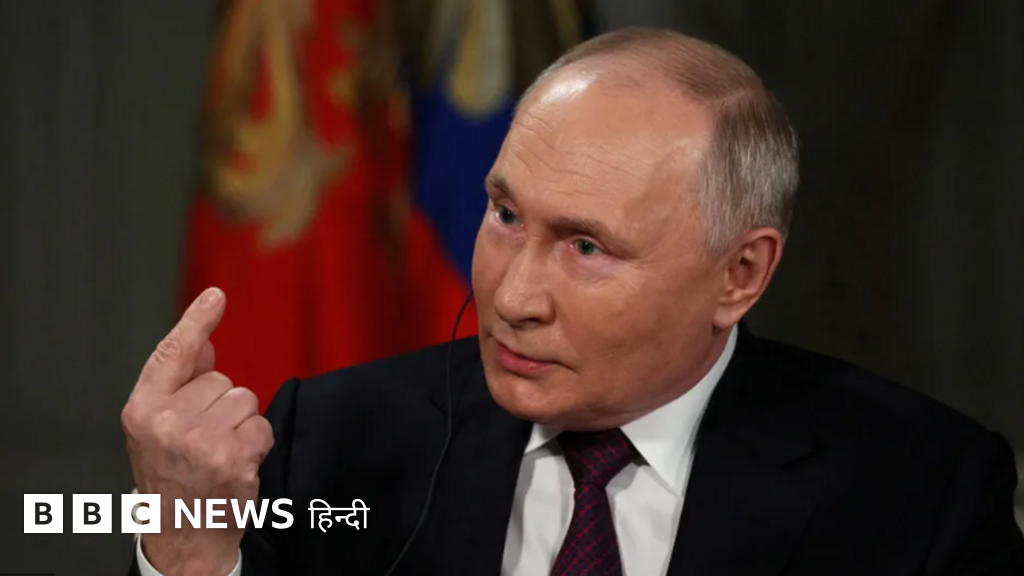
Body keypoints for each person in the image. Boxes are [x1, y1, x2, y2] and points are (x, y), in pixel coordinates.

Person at [121, 28, 1024, 576]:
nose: (513, 296)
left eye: (587, 247)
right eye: (506, 215)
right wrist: (187, 552)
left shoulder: (920, 490)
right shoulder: (328, 446)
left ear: (741, 275)